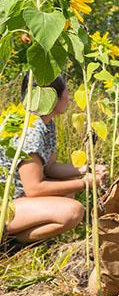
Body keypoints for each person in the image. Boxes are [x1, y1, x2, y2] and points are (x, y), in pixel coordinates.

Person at [1, 75, 106, 245]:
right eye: (66, 92)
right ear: (51, 97)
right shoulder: (31, 130)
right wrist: (86, 183)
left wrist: (85, 170)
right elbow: (34, 188)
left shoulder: (46, 123)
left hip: (17, 200)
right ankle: (9, 244)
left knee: (67, 188)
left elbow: (49, 167)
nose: (69, 98)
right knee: (73, 211)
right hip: (6, 205)